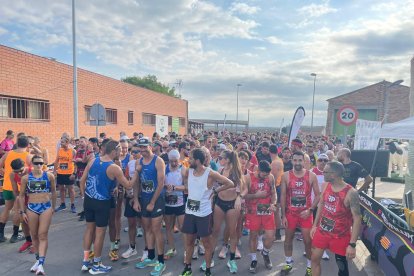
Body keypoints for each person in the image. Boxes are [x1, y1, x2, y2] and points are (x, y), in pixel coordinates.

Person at [80, 139, 133, 274]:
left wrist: (83, 196)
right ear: (114, 151)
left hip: (89, 200)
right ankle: (97, 265)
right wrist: (136, 174)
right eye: (119, 151)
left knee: (89, 230)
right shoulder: (114, 167)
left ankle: (86, 262)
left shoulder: (93, 160)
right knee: (99, 233)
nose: (120, 153)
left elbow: (82, 180)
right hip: (102, 202)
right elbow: (128, 185)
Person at [179, 148, 234, 276]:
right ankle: (187, 268)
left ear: (198, 160)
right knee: (189, 242)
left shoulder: (210, 173)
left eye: (191, 158)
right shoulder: (189, 171)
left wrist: (215, 191)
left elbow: (229, 183)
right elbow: (187, 181)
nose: (189, 160)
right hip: (190, 212)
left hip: (203, 214)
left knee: (207, 243)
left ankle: (208, 270)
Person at [311, 161, 362, 276]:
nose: (322, 173)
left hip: (340, 236)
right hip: (323, 231)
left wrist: (352, 244)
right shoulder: (326, 185)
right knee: (314, 259)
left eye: (325, 172)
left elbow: (357, 219)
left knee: (342, 267)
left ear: (333, 174)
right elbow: (322, 204)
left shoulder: (351, 193)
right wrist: (315, 225)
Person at [280, 151, 320, 276]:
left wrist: (311, 210)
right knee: (288, 239)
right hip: (290, 213)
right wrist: (283, 215)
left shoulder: (312, 176)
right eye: (295, 160)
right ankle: (288, 263)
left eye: (300, 160)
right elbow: (282, 195)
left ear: (304, 161)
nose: (297, 163)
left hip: (306, 214)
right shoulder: (286, 176)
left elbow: (318, 195)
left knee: (308, 242)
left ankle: (309, 267)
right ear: (292, 161)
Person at [133, 137, 167, 276]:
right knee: (147, 229)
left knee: (156, 230)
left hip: (157, 200)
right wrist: (135, 200)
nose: (142, 150)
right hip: (144, 200)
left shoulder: (158, 161)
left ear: (151, 146)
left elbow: (161, 184)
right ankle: (151, 257)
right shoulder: (138, 162)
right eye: (140, 148)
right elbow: (136, 183)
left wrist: (153, 202)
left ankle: (160, 262)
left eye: (144, 147)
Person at [19, 155, 56, 276]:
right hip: (31, 208)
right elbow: (21, 195)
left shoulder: (49, 176)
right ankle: (37, 260)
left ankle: (41, 263)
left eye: (41, 163)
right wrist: (22, 211)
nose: (39, 165)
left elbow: (54, 191)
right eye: (36, 163)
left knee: (43, 235)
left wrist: (53, 207)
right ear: (32, 164)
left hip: (45, 207)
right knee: (34, 235)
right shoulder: (26, 178)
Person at [210, 150, 244, 273]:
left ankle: (232, 260)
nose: (219, 159)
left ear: (228, 159)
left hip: (231, 204)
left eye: (221, 157)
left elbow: (241, 187)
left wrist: (239, 198)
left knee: (232, 232)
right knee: (215, 231)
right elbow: (213, 186)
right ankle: (209, 260)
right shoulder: (220, 171)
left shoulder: (235, 172)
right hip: (220, 203)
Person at [242, 160, 277, 273]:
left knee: (271, 236)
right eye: (264, 174)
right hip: (253, 211)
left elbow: (274, 192)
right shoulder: (248, 178)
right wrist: (256, 195)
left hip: (267, 210)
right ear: (258, 170)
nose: (266, 176)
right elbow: (244, 195)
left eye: (267, 174)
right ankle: (253, 259)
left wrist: (273, 203)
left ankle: (265, 253)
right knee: (253, 235)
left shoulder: (270, 177)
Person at [0, 135, 32, 243]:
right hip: (19, 188)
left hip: (7, 186)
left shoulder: (8, 153)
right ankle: (14, 235)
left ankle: (0, 234)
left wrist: (4, 173)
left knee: (7, 209)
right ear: (28, 145)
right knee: (17, 210)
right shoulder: (28, 156)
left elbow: (0, 165)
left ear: (17, 143)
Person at [122, 143, 146, 260]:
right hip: (130, 197)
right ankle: (132, 248)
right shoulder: (130, 164)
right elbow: (127, 180)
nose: (135, 154)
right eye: (133, 152)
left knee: (146, 225)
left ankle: (147, 250)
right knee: (131, 223)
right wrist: (129, 192)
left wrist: (137, 196)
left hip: (143, 198)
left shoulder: (147, 164)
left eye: (138, 151)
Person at [163, 149, 186, 260]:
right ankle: (172, 249)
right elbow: (160, 183)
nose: (173, 163)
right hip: (168, 203)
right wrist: (164, 187)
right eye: (171, 161)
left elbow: (186, 187)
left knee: (183, 228)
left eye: (175, 161)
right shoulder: (164, 169)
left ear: (179, 159)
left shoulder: (183, 169)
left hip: (180, 203)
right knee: (169, 227)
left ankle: (187, 251)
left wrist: (175, 188)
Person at [9, 158, 33, 253]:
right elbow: (15, 191)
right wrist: (18, 203)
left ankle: (36, 243)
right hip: (23, 198)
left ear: (25, 167)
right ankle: (28, 241)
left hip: (35, 198)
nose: (19, 173)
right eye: (16, 171)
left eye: (21, 171)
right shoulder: (13, 175)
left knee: (33, 222)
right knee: (23, 220)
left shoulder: (32, 171)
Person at [310, 153, 330, 260]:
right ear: (317, 161)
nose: (323, 162)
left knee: (323, 229)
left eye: (325, 160)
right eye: (321, 160)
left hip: (326, 206)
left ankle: (323, 251)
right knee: (312, 227)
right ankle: (310, 248)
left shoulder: (331, 173)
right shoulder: (312, 172)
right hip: (313, 204)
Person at [54, 136, 76, 213]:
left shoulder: (72, 151)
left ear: (67, 143)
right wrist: (54, 171)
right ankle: (62, 204)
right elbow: (56, 161)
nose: (60, 144)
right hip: (60, 172)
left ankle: (73, 205)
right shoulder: (60, 150)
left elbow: (75, 163)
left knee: (71, 189)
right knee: (61, 189)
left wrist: (74, 173)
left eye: (62, 142)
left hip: (69, 173)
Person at [269, 144, 284, 241]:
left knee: (275, 211)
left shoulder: (275, 162)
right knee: (275, 211)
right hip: (278, 187)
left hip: (276, 187)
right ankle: (276, 233)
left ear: (270, 152)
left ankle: (277, 234)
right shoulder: (279, 160)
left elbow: (272, 178)